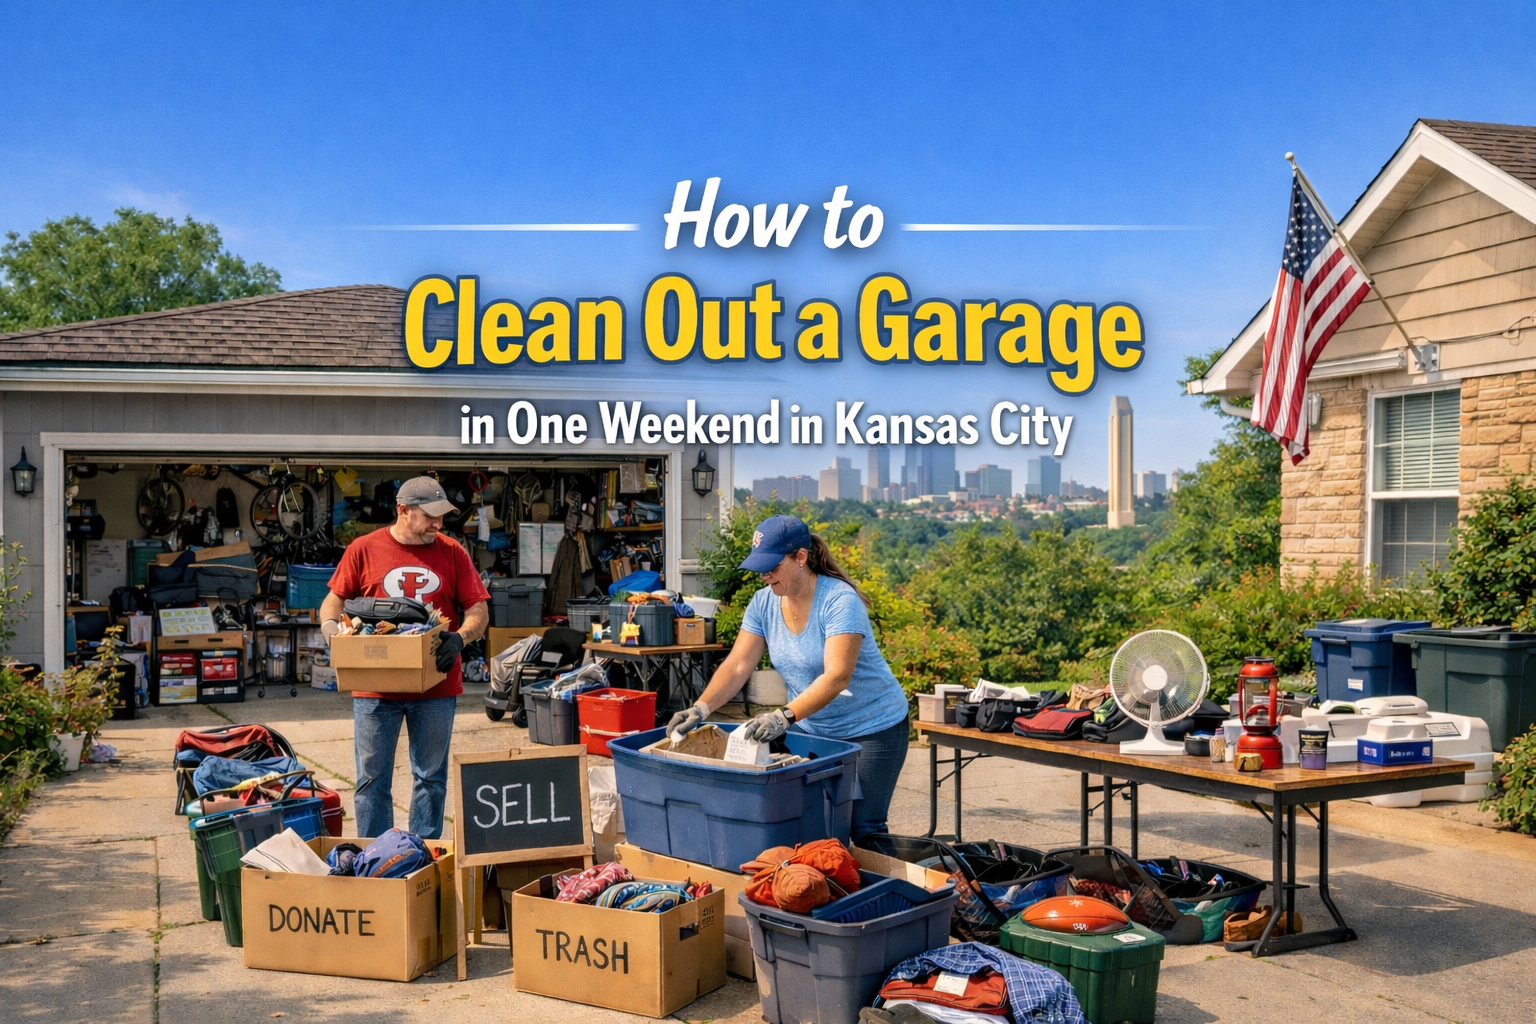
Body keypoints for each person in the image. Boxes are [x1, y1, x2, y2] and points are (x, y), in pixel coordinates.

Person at [667, 514, 911, 840]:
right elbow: (739, 664)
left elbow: (837, 676)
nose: (764, 575)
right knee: (816, 825)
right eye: (760, 567)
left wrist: (784, 716)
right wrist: (700, 709)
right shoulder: (764, 603)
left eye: (772, 566)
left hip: (874, 728)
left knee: (863, 828)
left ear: (800, 557)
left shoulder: (839, 601)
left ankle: (887, 889)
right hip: (816, 729)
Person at [321, 477, 490, 840]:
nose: (438, 525)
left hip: (436, 687)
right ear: (403, 510)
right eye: (430, 516)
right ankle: (374, 858)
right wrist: (332, 631)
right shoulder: (363, 549)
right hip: (374, 691)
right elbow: (332, 603)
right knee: (371, 781)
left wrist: (460, 639)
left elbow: (479, 611)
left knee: (431, 779)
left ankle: (422, 859)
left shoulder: (453, 552)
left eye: (442, 517)